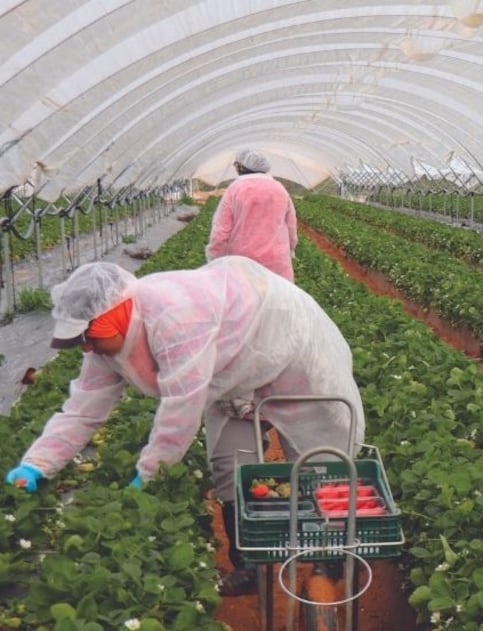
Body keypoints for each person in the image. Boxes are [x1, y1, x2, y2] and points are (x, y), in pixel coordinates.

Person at [4, 256, 364, 595]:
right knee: (230, 465)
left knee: (318, 456)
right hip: (229, 374)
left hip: (282, 341)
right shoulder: (104, 343)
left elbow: (181, 409)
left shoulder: (175, 315)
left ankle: (329, 557)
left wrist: (148, 474)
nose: (86, 348)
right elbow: (82, 410)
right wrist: (37, 463)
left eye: (88, 336)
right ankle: (251, 565)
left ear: (114, 314)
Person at [207, 149, 298, 281]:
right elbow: (291, 225)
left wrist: (215, 259)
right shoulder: (279, 189)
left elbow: (220, 232)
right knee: (276, 299)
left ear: (240, 166)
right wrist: (290, 249)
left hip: (243, 263)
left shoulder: (235, 189)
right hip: (277, 262)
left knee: (247, 300)